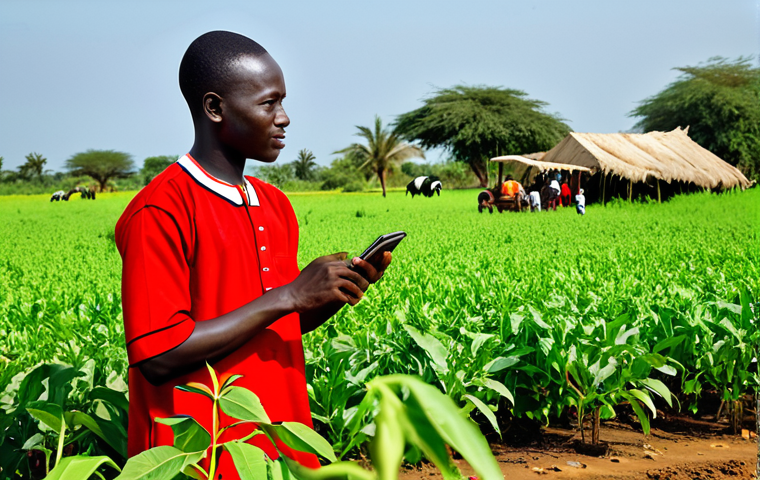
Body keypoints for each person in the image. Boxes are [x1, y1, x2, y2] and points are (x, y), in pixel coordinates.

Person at [114, 31, 391, 475]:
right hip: (198, 458)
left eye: (283, 102)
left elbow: (272, 328)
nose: (284, 118)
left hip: (280, 447)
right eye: (268, 103)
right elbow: (158, 356)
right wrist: (288, 295)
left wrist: (331, 293)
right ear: (214, 108)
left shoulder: (276, 205)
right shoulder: (160, 209)